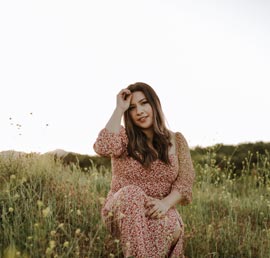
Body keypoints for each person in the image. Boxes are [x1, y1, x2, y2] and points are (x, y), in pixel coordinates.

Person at [93, 82, 195, 257]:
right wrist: (119, 108)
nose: (139, 111)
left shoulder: (177, 140)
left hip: (158, 209)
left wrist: (165, 203)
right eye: (132, 108)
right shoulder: (123, 137)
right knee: (131, 194)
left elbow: (185, 181)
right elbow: (103, 147)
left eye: (144, 103)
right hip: (122, 208)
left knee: (167, 226)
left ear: (155, 104)